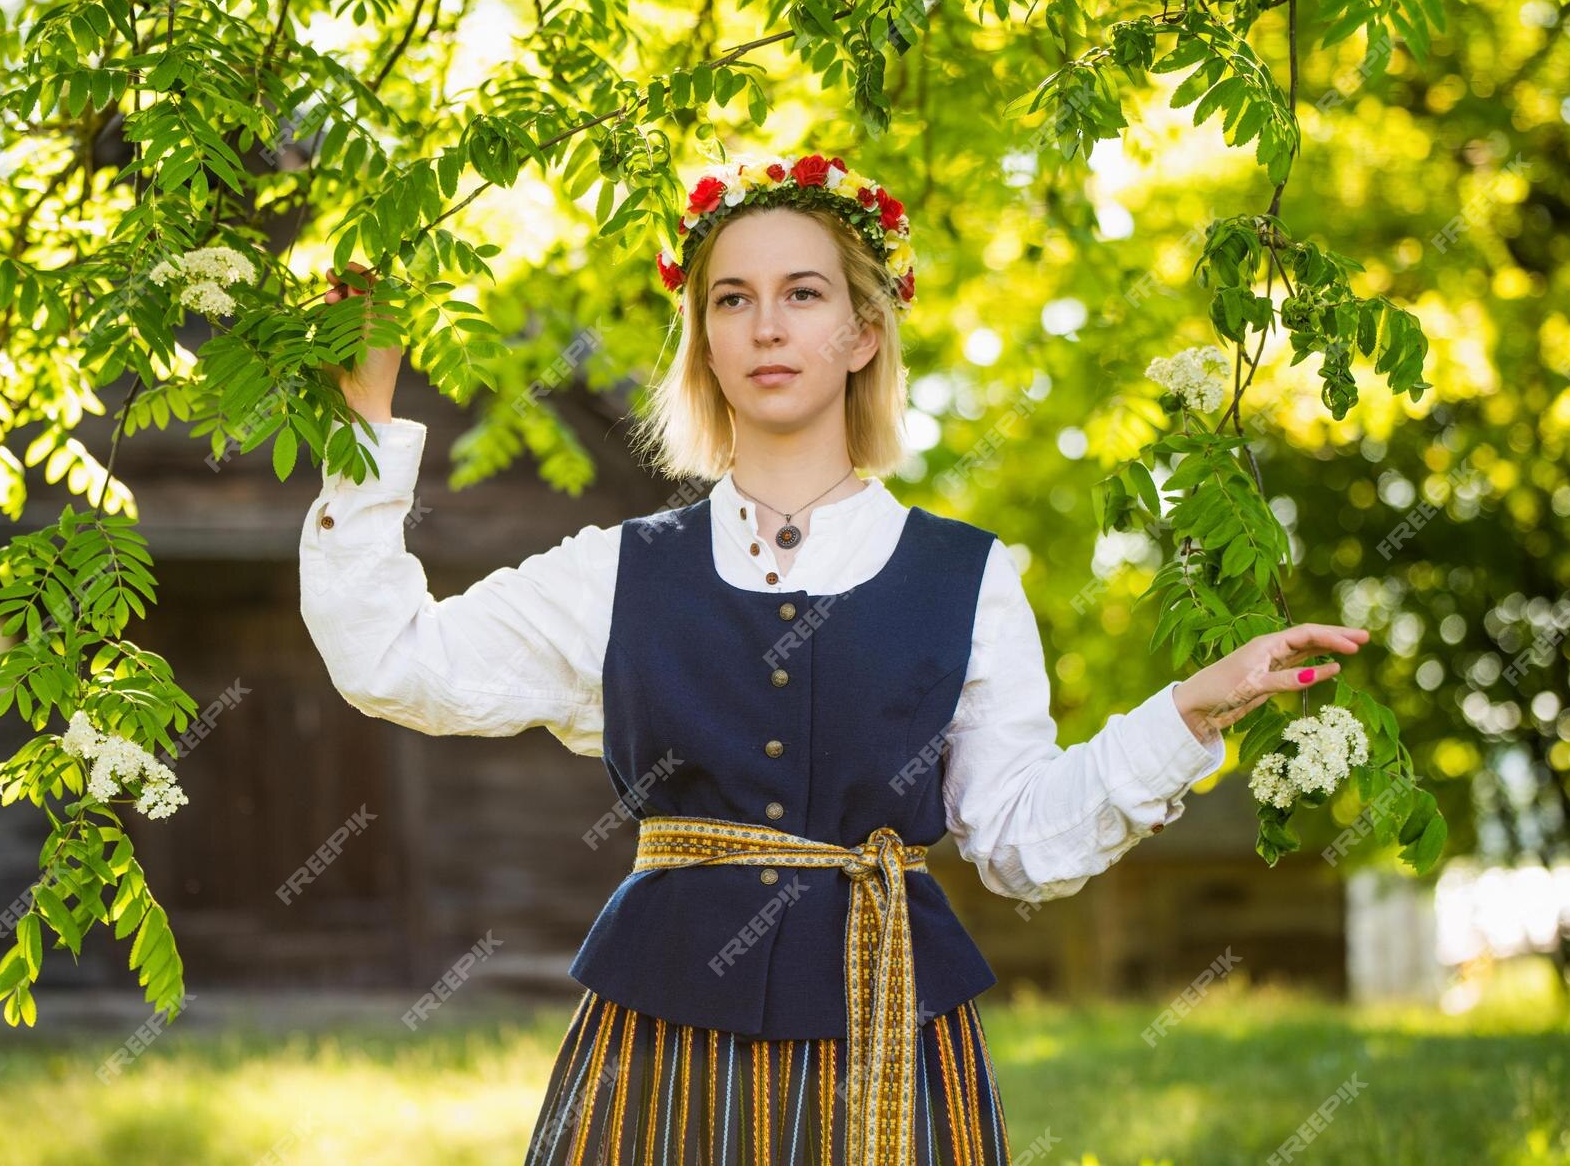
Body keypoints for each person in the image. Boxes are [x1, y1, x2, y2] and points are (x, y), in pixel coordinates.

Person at [297, 152, 1371, 1165]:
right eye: (731, 299)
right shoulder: (619, 572)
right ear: (703, 340)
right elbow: (394, 661)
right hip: (661, 1053)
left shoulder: (968, 576)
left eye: (802, 294)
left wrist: (1187, 711)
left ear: (862, 331)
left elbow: (1017, 843)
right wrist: (364, 420)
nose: (765, 326)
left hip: (890, 1040)